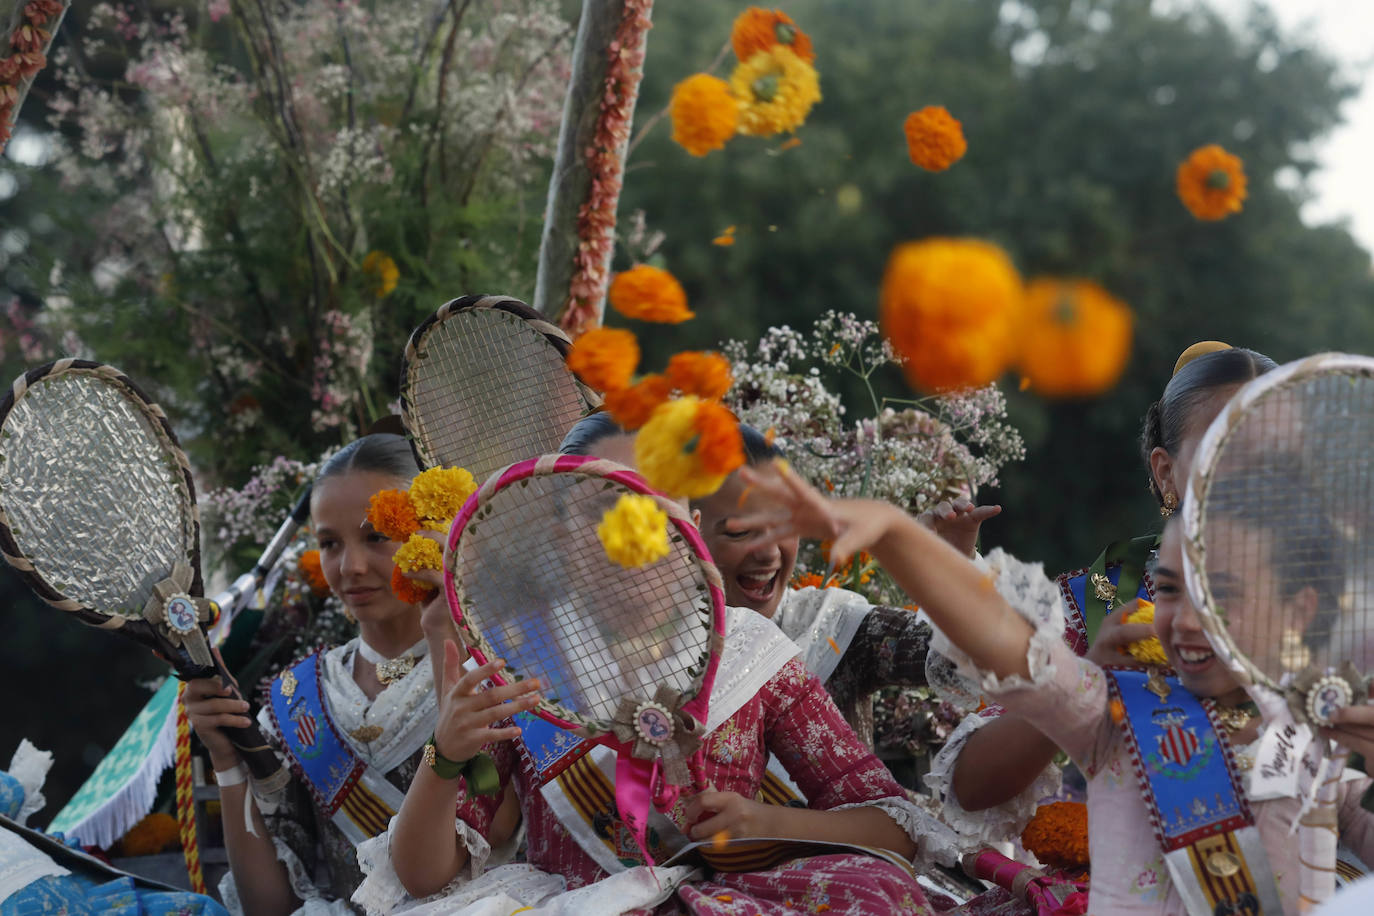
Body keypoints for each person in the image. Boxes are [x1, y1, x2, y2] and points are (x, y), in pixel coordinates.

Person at [357, 415, 960, 915]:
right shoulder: (514, 658)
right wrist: (445, 753)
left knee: (878, 894)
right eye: (605, 512)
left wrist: (762, 820)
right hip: (577, 905)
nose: (633, 539)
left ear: (691, 528)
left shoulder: (752, 653)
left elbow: (895, 828)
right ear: (562, 535)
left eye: (654, 511)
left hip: (737, 897)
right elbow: (425, 877)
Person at [729, 456, 1374, 913]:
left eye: (1224, 595)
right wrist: (896, 533)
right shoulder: (1115, 713)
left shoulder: (1322, 743)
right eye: (1171, 589)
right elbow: (1006, 649)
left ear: (1300, 611)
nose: (1185, 618)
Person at [927, 343, 1278, 850]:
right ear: (1165, 473)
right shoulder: (1107, 595)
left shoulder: (1330, 600)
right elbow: (971, 785)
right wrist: (1087, 682)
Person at [183, 434, 514, 915]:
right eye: (329, 544)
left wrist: (447, 634)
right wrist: (227, 757)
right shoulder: (299, 696)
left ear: (434, 530)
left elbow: (490, 840)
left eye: (375, 536)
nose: (351, 567)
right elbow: (270, 906)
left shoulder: (502, 672)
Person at [690, 420, 996, 745]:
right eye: (739, 532)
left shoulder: (835, 627)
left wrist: (953, 572)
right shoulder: (652, 651)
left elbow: (976, 664)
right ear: (684, 532)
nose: (768, 554)